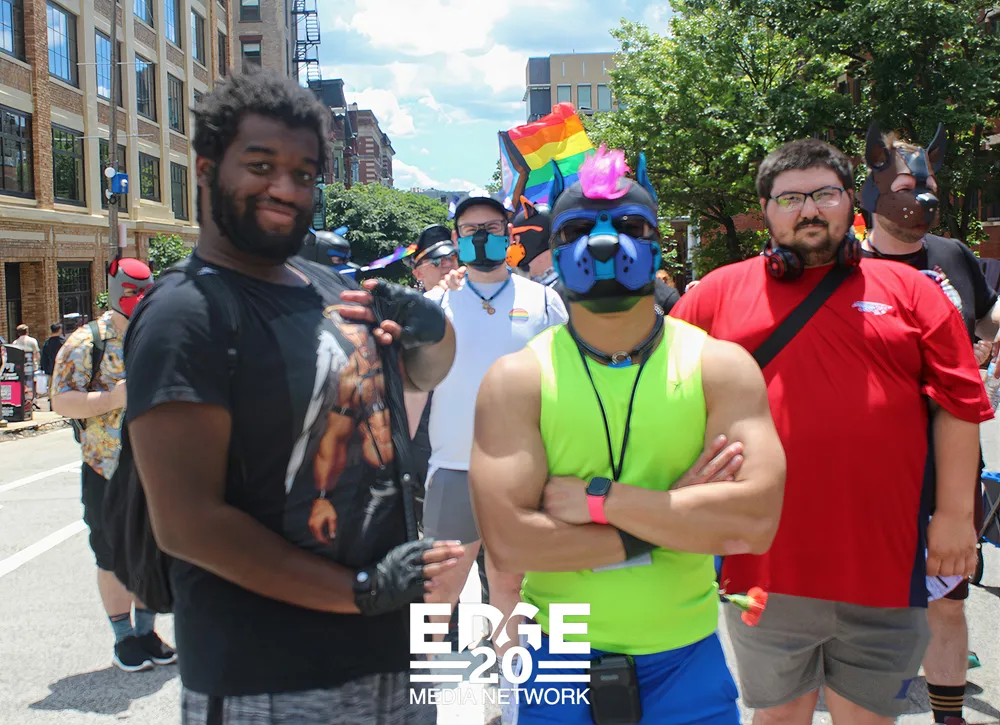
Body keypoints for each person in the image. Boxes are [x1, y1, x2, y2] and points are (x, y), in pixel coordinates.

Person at [121, 70, 463, 725]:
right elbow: (188, 522)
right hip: (272, 678)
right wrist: (362, 589)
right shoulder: (185, 313)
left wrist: (431, 328)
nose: (285, 187)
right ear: (206, 170)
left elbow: (420, 379)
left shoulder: (329, 286)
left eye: (303, 173)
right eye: (261, 166)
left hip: (395, 654)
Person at [670, 137, 991, 725]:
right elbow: (659, 401)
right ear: (765, 209)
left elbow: (959, 405)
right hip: (762, 561)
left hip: (885, 559)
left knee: (868, 719)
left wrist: (953, 516)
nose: (809, 210)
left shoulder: (915, 292)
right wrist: (678, 484)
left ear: (851, 201)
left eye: (824, 194)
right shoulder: (715, 294)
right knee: (779, 716)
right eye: (790, 198)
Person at [468, 145, 787, 724]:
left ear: (658, 243)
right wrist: (674, 516)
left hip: (686, 661)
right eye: (578, 231)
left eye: (630, 227)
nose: (604, 244)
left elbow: (753, 523)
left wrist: (602, 502)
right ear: (555, 249)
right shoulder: (517, 381)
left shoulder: (719, 368)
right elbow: (512, 544)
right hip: (557, 660)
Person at [859, 121, 1000, 725]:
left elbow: (987, 319)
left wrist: (987, 344)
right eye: (906, 187)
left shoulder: (953, 255)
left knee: (947, 601)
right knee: (866, 610)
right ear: (871, 190)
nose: (922, 198)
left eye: (930, 188)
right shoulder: (841, 267)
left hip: (949, 469)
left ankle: (949, 717)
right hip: (868, 470)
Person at [405, 189, 568, 654]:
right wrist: (393, 458)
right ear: (457, 240)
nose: (481, 237)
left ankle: (511, 683)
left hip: (524, 470)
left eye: (492, 228)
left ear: (508, 235)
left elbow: (566, 384)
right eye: (471, 230)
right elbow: (415, 388)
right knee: (438, 590)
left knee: (510, 585)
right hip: (453, 468)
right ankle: (418, 686)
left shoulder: (544, 302)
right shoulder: (435, 305)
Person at [50, 257, 165, 673]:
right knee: (113, 555)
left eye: (146, 291)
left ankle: (148, 633)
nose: (140, 298)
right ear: (116, 290)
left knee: (152, 553)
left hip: (157, 468)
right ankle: (124, 638)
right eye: (132, 291)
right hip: (108, 467)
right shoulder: (86, 342)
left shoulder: (158, 333)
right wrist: (111, 399)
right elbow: (60, 400)